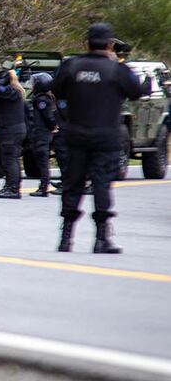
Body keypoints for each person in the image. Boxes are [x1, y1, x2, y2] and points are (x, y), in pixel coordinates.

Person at [51, 23, 150, 253]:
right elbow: (136, 92)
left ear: (86, 43)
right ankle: (101, 238)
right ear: (110, 44)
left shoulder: (71, 66)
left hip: (76, 135)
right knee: (102, 185)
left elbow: (58, 89)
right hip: (106, 137)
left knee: (72, 184)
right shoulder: (117, 70)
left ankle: (66, 237)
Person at [0, 68, 27, 200]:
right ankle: (9, 186)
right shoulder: (11, 92)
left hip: (12, 131)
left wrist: (3, 80)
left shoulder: (12, 91)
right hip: (9, 130)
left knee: (10, 160)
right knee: (7, 160)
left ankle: (14, 189)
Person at [28, 72, 58, 197]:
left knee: (43, 160)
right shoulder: (43, 97)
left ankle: (43, 187)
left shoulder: (42, 100)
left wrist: (53, 126)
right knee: (41, 160)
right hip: (41, 132)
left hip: (42, 133)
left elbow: (48, 116)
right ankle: (43, 185)